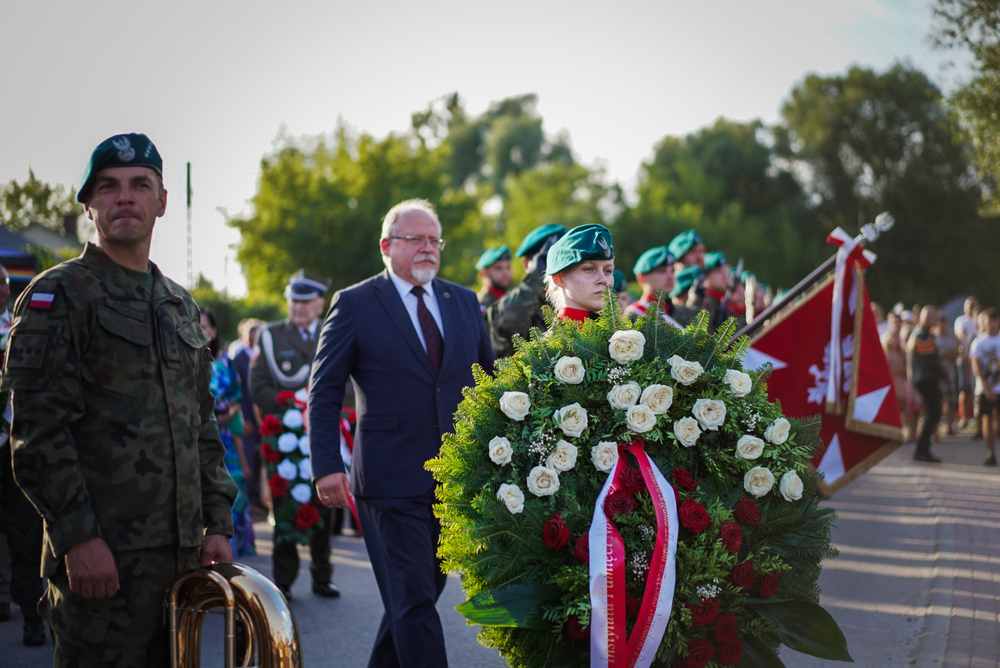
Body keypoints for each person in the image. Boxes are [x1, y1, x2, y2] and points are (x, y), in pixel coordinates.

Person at [2, 132, 237, 665]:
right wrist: (78, 539)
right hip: (102, 561)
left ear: (162, 202)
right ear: (89, 206)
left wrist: (217, 521)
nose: (124, 197)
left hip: (182, 556)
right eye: (108, 187)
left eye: (140, 185)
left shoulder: (179, 304)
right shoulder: (58, 295)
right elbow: (38, 433)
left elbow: (201, 422)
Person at [309, 198, 495, 668]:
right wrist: (327, 465)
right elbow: (324, 391)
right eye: (416, 240)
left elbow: (492, 387)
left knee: (415, 598)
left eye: (435, 240)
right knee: (412, 601)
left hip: (453, 478)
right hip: (388, 480)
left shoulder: (463, 301)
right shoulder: (354, 304)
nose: (428, 249)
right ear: (386, 246)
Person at [251, 270, 339, 600]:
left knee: (325, 503)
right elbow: (258, 385)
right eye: (294, 301)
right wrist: (290, 409)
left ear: (319, 305)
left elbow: (345, 381)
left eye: (306, 302)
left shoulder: (333, 332)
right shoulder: (271, 335)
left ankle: (322, 577)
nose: (299, 308)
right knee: (285, 506)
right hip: (284, 437)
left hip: (323, 434)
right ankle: (283, 581)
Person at [201, 309, 256, 557]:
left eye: (205, 327)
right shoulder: (185, 361)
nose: (201, 332)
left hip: (227, 440)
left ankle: (236, 549)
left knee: (234, 489)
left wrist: (229, 413)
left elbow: (237, 395)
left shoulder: (225, 362)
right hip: (199, 439)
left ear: (214, 331)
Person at [485, 223, 567, 357]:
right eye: (547, 260)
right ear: (526, 264)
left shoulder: (576, 298)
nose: (554, 267)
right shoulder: (513, 302)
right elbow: (507, 328)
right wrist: (536, 277)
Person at [543, 224, 616, 321]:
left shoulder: (623, 334)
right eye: (589, 269)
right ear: (559, 279)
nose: (603, 280)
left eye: (608, 271)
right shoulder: (556, 336)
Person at [230, 318, 266, 509]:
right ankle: (250, 498)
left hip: (263, 415)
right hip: (248, 416)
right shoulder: (240, 357)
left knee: (261, 457)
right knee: (249, 457)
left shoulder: (262, 355)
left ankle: (258, 495)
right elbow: (239, 392)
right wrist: (244, 418)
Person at [907, 305, 945, 462]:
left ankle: (924, 450)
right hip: (926, 380)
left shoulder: (919, 333)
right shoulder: (922, 335)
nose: (937, 320)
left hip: (922, 379)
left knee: (930, 414)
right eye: (935, 316)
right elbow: (930, 361)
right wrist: (944, 374)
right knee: (934, 414)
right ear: (927, 317)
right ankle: (921, 450)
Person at [624, 246, 697, 328]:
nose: (670, 277)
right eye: (662, 271)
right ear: (641, 278)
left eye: (673, 271)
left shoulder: (687, 313)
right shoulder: (634, 315)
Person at [970, 308, 1000, 466]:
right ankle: (991, 452)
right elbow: (976, 366)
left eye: (994, 321)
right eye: (989, 322)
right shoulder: (979, 342)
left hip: (998, 385)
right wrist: (986, 386)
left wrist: (995, 382)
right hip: (984, 388)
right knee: (987, 419)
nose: (992, 325)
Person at [955, 296, 981, 433]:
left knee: (976, 390)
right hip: (965, 359)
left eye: (973, 305)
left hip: (977, 359)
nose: (971, 308)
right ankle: (964, 417)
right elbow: (960, 336)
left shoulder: (979, 320)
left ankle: (976, 418)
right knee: (964, 389)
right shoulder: (961, 320)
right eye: (968, 305)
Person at [698, 251, 734, 332]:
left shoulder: (720, 300)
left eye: (726, 270)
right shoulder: (704, 301)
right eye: (719, 271)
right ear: (705, 275)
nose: (725, 276)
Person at [475, 245, 512, 312]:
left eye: (508, 267)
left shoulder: (511, 298)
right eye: (498, 268)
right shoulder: (480, 304)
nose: (505, 273)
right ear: (483, 273)